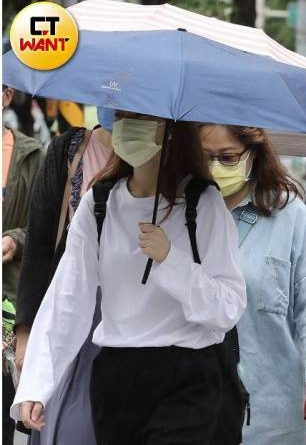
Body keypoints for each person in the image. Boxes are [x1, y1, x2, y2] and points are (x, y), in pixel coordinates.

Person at [11, 111, 247, 444]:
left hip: (188, 376)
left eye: (141, 116)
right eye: (122, 114)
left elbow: (228, 307)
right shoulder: (100, 203)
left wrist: (170, 260)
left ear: (169, 128)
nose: (128, 124)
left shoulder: (202, 203)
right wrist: (37, 384)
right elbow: (68, 296)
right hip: (117, 376)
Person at [199, 123, 306, 445]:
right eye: (205, 157)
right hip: (195, 408)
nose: (215, 167)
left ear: (253, 153)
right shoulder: (180, 212)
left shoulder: (289, 215)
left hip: (274, 415)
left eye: (228, 157)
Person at [12, 108, 113, 445]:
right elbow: (39, 245)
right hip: (67, 311)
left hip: (125, 328)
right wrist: (25, 333)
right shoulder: (68, 152)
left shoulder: (165, 161)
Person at [2, 84, 45, 445]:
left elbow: (45, 229)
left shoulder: (32, 155)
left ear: (5, 96)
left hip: (9, 302)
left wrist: (15, 239)